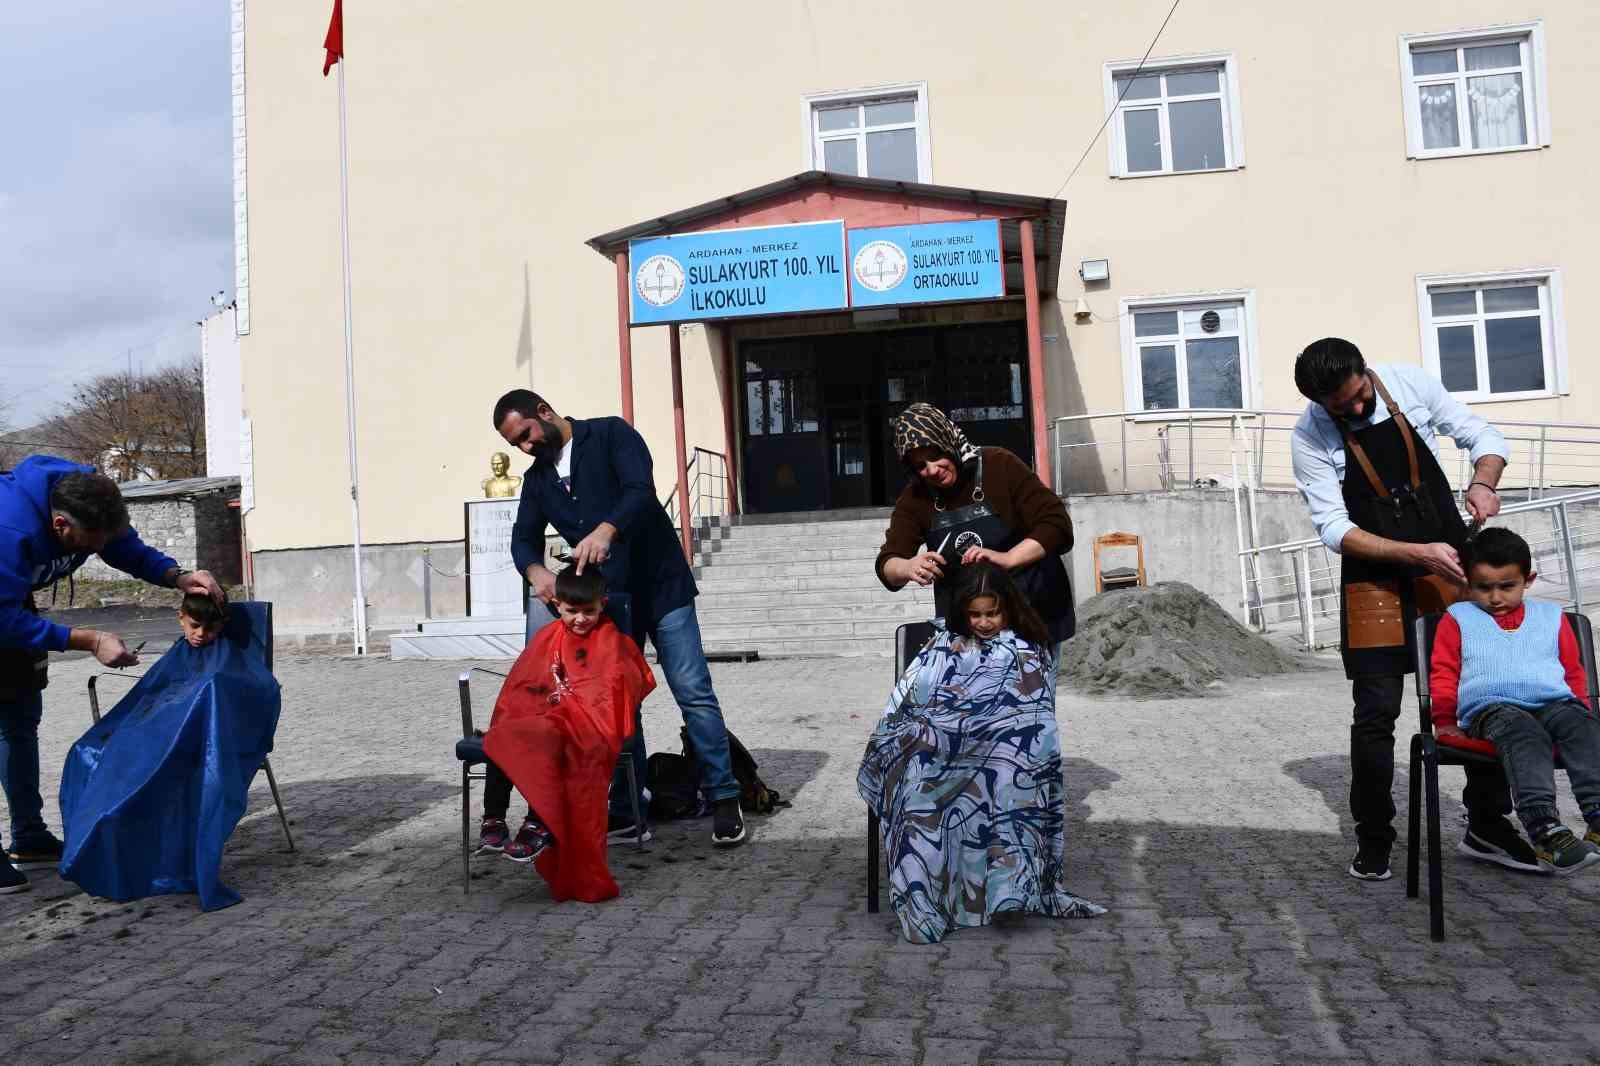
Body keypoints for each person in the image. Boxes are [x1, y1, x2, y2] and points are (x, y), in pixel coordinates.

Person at [1289, 339, 1536, 882]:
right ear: (1320, 403)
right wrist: (1413, 553)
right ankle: (1374, 835)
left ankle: (1487, 823)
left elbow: (1483, 437)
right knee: (1376, 712)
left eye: (1360, 395)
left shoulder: (1409, 382)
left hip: (1451, 567)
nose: (1357, 409)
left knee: (1483, 693)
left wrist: (1483, 482)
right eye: (1342, 408)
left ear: (1365, 372)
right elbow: (1334, 528)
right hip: (1373, 581)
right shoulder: (1309, 436)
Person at [492, 389, 747, 847]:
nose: (526, 447)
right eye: (517, 444)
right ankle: (629, 808)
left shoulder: (610, 434)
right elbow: (523, 538)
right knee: (621, 704)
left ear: (544, 412)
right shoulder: (538, 480)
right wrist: (535, 571)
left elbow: (639, 491)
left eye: (526, 434)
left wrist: (606, 530)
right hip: (609, 603)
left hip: (663, 588)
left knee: (693, 692)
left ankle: (725, 797)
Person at [0, 456, 225, 894]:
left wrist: (176, 576)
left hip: (7, 599)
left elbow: (122, 546)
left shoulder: (91, 496)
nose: (99, 548)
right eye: (91, 543)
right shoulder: (8, 529)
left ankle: (28, 837)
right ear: (60, 525)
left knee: (19, 719)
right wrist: (88, 639)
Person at [858, 562, 1103, 943]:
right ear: (962, 611)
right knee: (916, 777)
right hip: (943, 750)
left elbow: (1037, 717)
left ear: (1008, 609)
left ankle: (1006, 887)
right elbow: (910, 704)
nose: (985, 622)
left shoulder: (1026, 649)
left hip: (1003, 751)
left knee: (1014, 769)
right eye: (975, 614)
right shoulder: (941, 646)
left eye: (993, 613)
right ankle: (926, 891)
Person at [58, 592, 279, 911]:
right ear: (180, 618)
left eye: (210, 628)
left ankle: (142, 866)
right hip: (154, 730)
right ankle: (102, 854)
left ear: (223, 625)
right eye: (194, 625)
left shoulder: (223, 666)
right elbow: (151, 695)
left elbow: (252, 695)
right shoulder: (180, 652)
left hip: (190, 742)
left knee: (129, 779)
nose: (201, 634)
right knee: (83, 753)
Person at [1428, 527, 1600, 874]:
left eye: (1507, 586)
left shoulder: (1551, 617)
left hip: (1555, 703)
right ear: (1468, 583)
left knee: (1583, 725)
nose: (1495, 597)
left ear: (1528, 580)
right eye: (1483, 587)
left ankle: (1597, 814)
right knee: (1525, 733)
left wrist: (1582, 709)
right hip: (1492, 710)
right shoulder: (1458, 618)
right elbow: (1444, 673)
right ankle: (1544, 829)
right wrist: (1444, 721)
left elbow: (1572, 672)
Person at [483, 565, 656, 902]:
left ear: (603, 604)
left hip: (590, 728)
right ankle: (494, 819)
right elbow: (525, 686)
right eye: (571, 611)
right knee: (500, 737)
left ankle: (538, 822)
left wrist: (569, 711)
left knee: (547, 740)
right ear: (557, 605)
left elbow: (615, 692)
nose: (580, 619)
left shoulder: (613, 644)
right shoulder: (548, 638)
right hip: (548, 720)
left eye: (589, 611)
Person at [875, 403, 1075, 647]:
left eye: (935, 456)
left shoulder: (1000, 465)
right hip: (969, 629)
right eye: (920, 466)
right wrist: (907, 567)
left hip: (1033, 612)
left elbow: (1056, 524)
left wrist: (1009, 558)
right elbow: (888, 563)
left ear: (947, 442)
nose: (932, 470)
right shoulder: (916, 497)